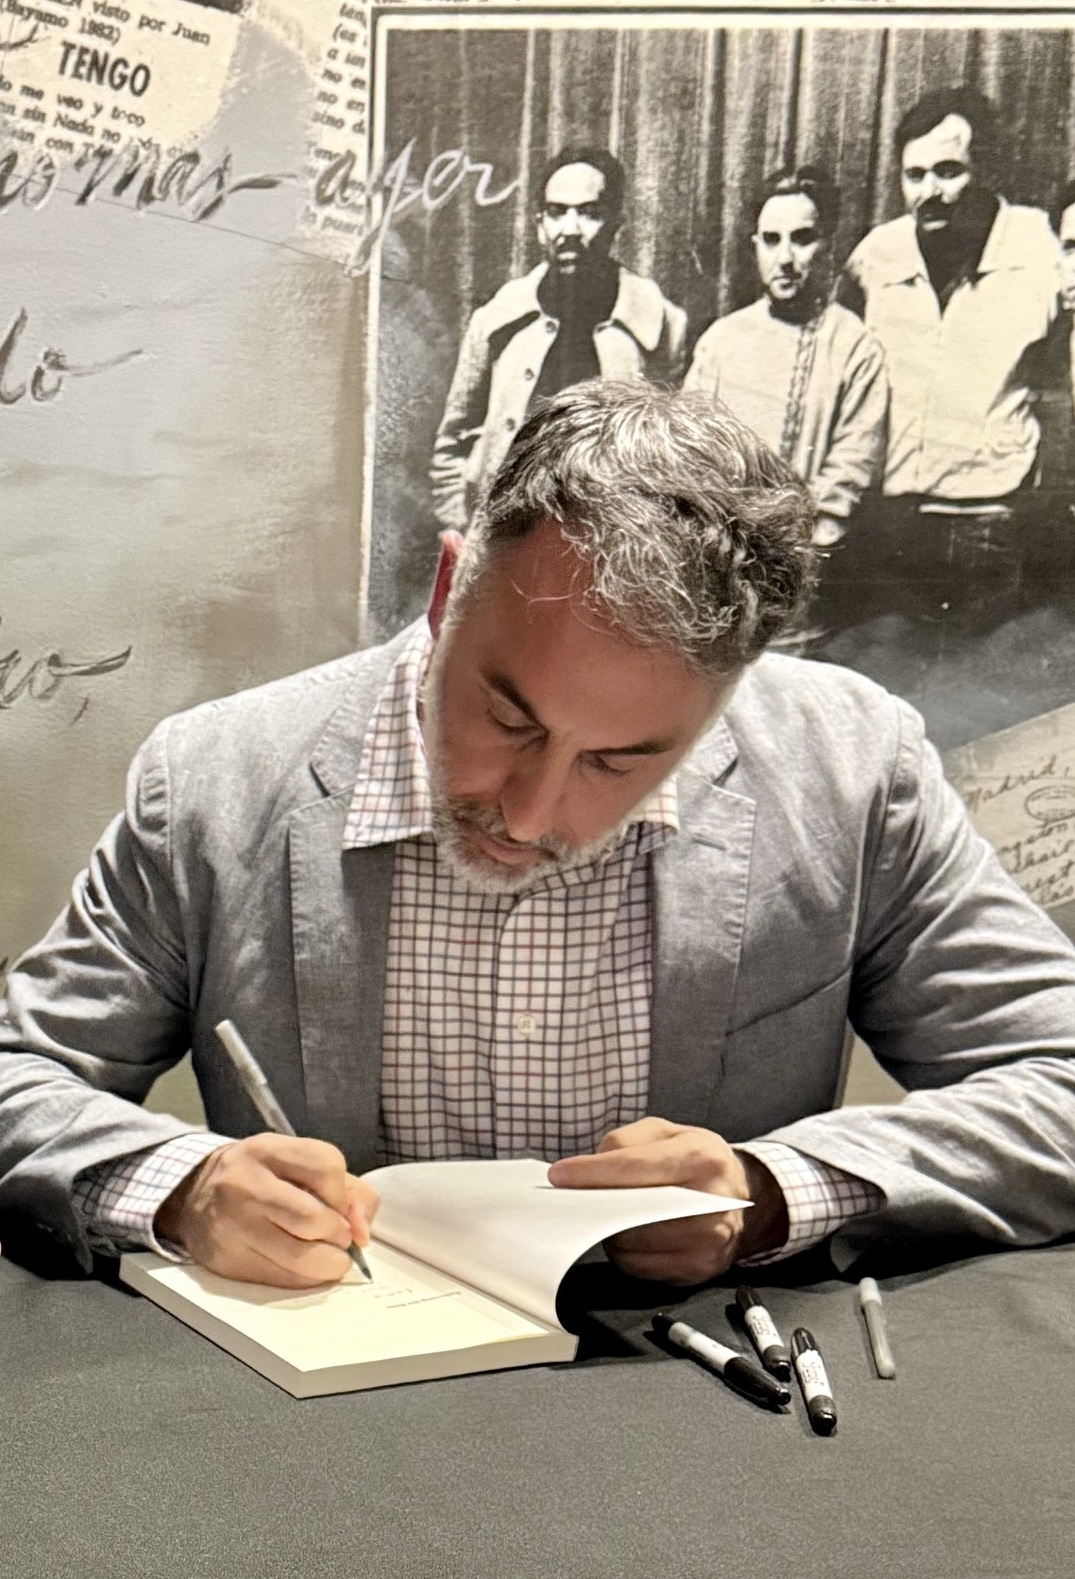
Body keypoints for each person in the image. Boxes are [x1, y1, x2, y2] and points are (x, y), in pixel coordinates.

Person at [2, 380, 1075, 1293]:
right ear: (447, 590)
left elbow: (1057, 1079)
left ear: (724, 699)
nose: (527, 813)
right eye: (508, 718)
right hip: (323, 1395)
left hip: (704, 1399)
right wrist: (181, 1189)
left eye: (619, 761)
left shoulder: (849, 767)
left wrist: (769, 1192)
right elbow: (20, 1075)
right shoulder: (214, 780)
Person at [843, 87, 1061, 629]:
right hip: (892, 517)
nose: (930, 192)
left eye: (949, 172)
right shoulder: (876, 255)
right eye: (914, 175)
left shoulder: (1042, 246)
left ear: (986, 170)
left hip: (991, 517)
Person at [429, 147, 687, 532]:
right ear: (539, 224)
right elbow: (453, 443)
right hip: (509, 535)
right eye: (556, 212)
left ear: (616, 224)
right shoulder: (499, 318)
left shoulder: (661, 324)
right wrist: (462, 531)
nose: (570, 229)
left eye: (589, 213)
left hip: (609, 538)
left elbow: (672, 456)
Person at [685, 166, 888, 552]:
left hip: (807, 551)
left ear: (827, 244)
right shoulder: (721, 340)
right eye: (771, 240)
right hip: (721, 547)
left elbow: (851, 464)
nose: (785, 258)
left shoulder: (855, 345)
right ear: (755, 245)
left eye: (802, 239)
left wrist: (797, 540)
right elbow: (690, 452)